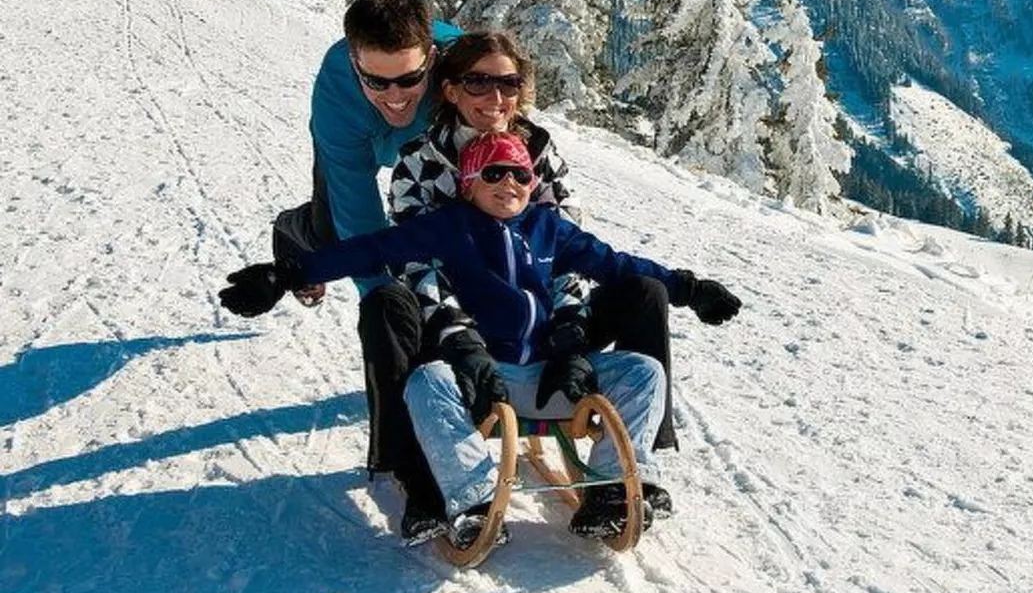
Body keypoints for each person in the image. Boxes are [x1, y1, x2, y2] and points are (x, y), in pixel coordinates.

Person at [221, 131, 742, 543]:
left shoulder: (551, 228)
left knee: (643, 371)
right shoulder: (449, 227)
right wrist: (287, 273)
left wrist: (689, 289)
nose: (509, 183)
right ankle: (469, 499)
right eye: (493, 173)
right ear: (468, 182)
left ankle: (611, 488)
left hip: (552, 372)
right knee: (426, 382)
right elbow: (369, 250)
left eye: (519, 174)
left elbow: (619, 264)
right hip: (482, 377)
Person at [388, 32, 685, 456]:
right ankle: (415, 467)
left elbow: (569, 252)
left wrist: (570, 332)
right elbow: (416, 263)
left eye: (508, 84)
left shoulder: (540, 153)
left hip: (542, 326)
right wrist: (460, 337)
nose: (495, 96)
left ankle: (632, 459)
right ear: (451, 90)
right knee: (387, 306)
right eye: (478, 83)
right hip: (465, 330)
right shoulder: (421, 162)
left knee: (644, 292)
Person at [269, 0, 464, 531]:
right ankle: (292, 235)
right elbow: (362, 222)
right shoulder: (336, 96)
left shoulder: (458, 65)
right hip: (355, 142)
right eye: (376, 80)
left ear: (432, 56)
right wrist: (395, 313)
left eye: (408, 79)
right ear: (355, 61)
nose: (395, 95)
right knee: (335, 234)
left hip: (422, 147)